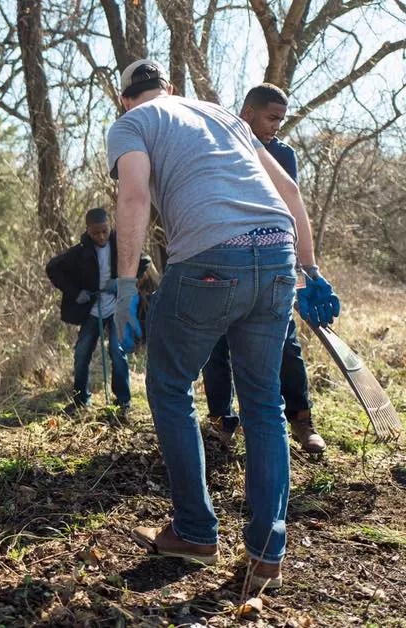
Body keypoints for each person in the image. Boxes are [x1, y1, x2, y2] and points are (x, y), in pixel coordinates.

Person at [107, 60, 340, 592]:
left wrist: (124, 287)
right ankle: (266, 553)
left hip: (211, 260)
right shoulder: (221, 115)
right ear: (169, 89)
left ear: (124, 99)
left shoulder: (131, 125)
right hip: (277, 252)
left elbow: (135, 195)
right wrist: (311, 269)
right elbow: (291, 194)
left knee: (169, 386)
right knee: (264, 403)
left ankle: (195, 531)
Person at [202, 83, 325, 453]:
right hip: (225, 257)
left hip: (274, 262)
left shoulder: (283, 155)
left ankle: (302, 420)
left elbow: (291, 210)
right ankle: (221, 422)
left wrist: (307, 269)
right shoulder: (217, 145)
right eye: (272, 118)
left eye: (281, 120)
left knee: (286, 344)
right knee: (216, 343)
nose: (276, 126)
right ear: (249, 112)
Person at [45, 206, 149, 416]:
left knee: (117, 353)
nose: (101, 236)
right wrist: (76, 293)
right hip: (93, 309)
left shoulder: (121, 244)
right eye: (95, 233)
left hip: (116, 306)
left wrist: (120, 282)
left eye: (104, 230)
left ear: (109, 226)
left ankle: (123, 403)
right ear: (88, 231)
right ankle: (81, 400)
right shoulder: (80, 251)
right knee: (82, 352)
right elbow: (53, 268)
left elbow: (144, 261)